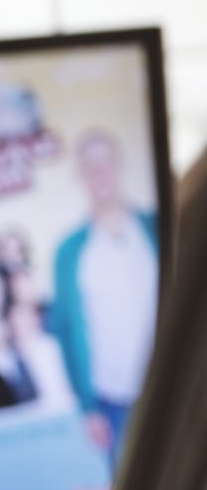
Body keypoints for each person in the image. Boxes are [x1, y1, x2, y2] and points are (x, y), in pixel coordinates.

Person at [49, 128, 160, 470]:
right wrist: (88, 408)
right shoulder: (69, 251)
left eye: (105, 163)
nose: (99, 174)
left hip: (169, 394)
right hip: (113, 404)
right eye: (89, 167)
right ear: (80, 175)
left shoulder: (155, 228)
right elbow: (64, 331)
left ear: (118, 164)